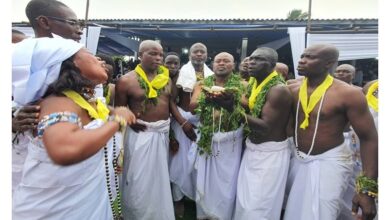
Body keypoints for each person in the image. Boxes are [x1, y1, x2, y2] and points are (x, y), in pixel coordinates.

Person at [12, 37, 136, 220]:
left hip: (82, 204)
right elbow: (65, 149)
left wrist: (114, 113)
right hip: (57, 210)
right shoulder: (58, 102)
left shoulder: (86, 101)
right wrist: (117, 121)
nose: (100, 59)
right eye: (90, 54)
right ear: (68, 64)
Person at [284, 44, 378, 220]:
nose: (302, 60)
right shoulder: (291, 89)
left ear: (329, 63)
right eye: (303, 56)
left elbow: (369, 138)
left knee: (323, 214)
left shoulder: (348, 94)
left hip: (331, 161)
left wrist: (367, 190)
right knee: (294, 213)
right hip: (297, 159)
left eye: (310, 57)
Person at [12, 0, 85, 192]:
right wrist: (11, 121)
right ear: (44, 22)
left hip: (67, 153)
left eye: (80, 25)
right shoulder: (17, 57)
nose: (79, 30)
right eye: (73, 23)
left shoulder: (77, 60)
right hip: (25, 152)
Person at [115, 40, 175, 220]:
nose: (158, 58)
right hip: (138, 136)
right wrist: (132, 122)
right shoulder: (126, 81)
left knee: (159, 180)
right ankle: (136, 214)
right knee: (137, 180)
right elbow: (118, 111)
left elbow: (170, 105)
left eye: (160, 54)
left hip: (161, 134)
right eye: (152, 53)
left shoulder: (166, 79)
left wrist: (179, 127)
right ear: (140, 55)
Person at [234, 48, 292, 220]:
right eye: (251, 59)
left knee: (259, 205)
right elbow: (250, 106)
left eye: (259, 60)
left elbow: (265, 126)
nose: (251, 62)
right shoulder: (254, 82)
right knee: (246, 199)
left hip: (270, 153)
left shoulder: (278, 89)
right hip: (253, 148)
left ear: (272, 65)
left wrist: (232, 109)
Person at [189, 52, 246, 220]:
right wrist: (208, 98)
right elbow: (192, 107)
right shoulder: (201, 84)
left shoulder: (242, 84)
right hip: (208, 138)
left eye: (226, 61)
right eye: (218, 61)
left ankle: (223, 214)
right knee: (205, 180)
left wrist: (229, 96)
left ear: (233, 65)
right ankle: (204, 213)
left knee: (227, 181)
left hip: (231, 140)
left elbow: (247, 106)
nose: (221, 63)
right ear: (213, 65)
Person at [169, 43, 212, 217]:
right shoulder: (180, 74)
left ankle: (195, 198)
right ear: (190, 55)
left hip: (202, 123)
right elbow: (171, 101)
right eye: (196, 51)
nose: (199, 54)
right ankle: (178, 200)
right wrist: (182, 122)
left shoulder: (212, 75)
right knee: (179, 163)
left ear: (206, 55)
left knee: (199, 164)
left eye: (203, 52)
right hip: (182, 120)